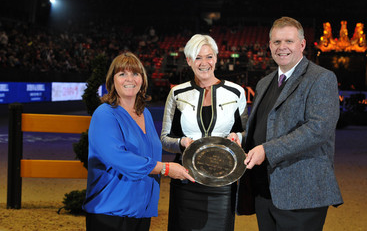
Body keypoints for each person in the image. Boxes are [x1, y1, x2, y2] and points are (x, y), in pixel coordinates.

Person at [237, 17, 343, 230]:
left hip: (302, 194)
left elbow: (317, 129)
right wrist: (240, 138)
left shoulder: (321, 78)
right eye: (276, 42)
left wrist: (267, 150)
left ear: (302, 45)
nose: (282, 47)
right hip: (265, 190)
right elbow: (261, 125)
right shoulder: (264, 82)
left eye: (289, 41)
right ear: (269, 45)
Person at [82, 52, 194, 231]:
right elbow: (118, 158)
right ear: (112, 81)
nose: (130, 79)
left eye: (135, 73)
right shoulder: (104, 114)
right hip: (110, 212)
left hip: (141, 211)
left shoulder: (145, 114)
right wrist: (165, 168)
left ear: (142, 79)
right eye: (122, 74)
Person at [161, 34, 248, 231]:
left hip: (223, 182)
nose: (204, 63)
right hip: (186, 180)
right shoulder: (177, 94)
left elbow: (247, 132)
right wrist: (182, 142)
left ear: (216, 58)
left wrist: (238, 138)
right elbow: (164, 140)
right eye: (197, 57)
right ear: (189, 61)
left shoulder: (236, 92)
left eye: (209, 56)